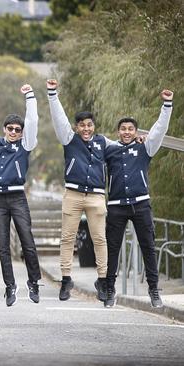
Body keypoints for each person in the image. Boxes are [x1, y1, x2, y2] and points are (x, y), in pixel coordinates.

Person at [104, 89, 173, 308]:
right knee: (112, 249)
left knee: (148, 247)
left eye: (130, 129)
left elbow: (159, 130)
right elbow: (90, 142)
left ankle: (154, 289)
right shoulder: (109, 149)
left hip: (141, 204)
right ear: (117, 132)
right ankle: (109, 289)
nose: (126, 132)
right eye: (123, 129)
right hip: (116, 207)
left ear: (136, 132)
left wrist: (167, 105)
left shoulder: (145, 147)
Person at [47, 79, 110, 302]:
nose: (86, 128)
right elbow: (59, 118)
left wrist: (139, 140)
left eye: (89, 125)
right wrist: (52, 94)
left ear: (94, 126)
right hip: (73, 194)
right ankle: (66, 280)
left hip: (96, 196)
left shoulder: (104, 143)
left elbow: (125, 145)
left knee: (100, 239)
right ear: (76, 127)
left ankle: (102, 280)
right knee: (67, 238)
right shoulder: (69, 139)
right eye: (82, 125)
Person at [0, 84, 41, 307]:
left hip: (18, 198)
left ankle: (34, 282)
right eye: (9, 129)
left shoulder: (26, 145)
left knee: (27, 242)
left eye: (17, 130)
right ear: (4, 129)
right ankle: (10, 286)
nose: (13, 132)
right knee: (3, 247)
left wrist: (29, 96)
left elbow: (33, 122)